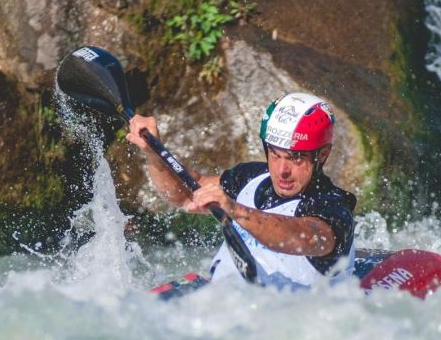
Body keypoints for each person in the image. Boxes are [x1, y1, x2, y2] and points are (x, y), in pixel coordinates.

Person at [126, 92, 357, 288]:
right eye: (275, 154)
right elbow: (184, 195)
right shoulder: (251, 178)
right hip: (224, 304)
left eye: (296, 158)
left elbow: (302, 237)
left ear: (323, 155)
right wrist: (153, 153)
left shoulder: (332, 205)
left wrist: (235, 209)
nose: (282, 170)